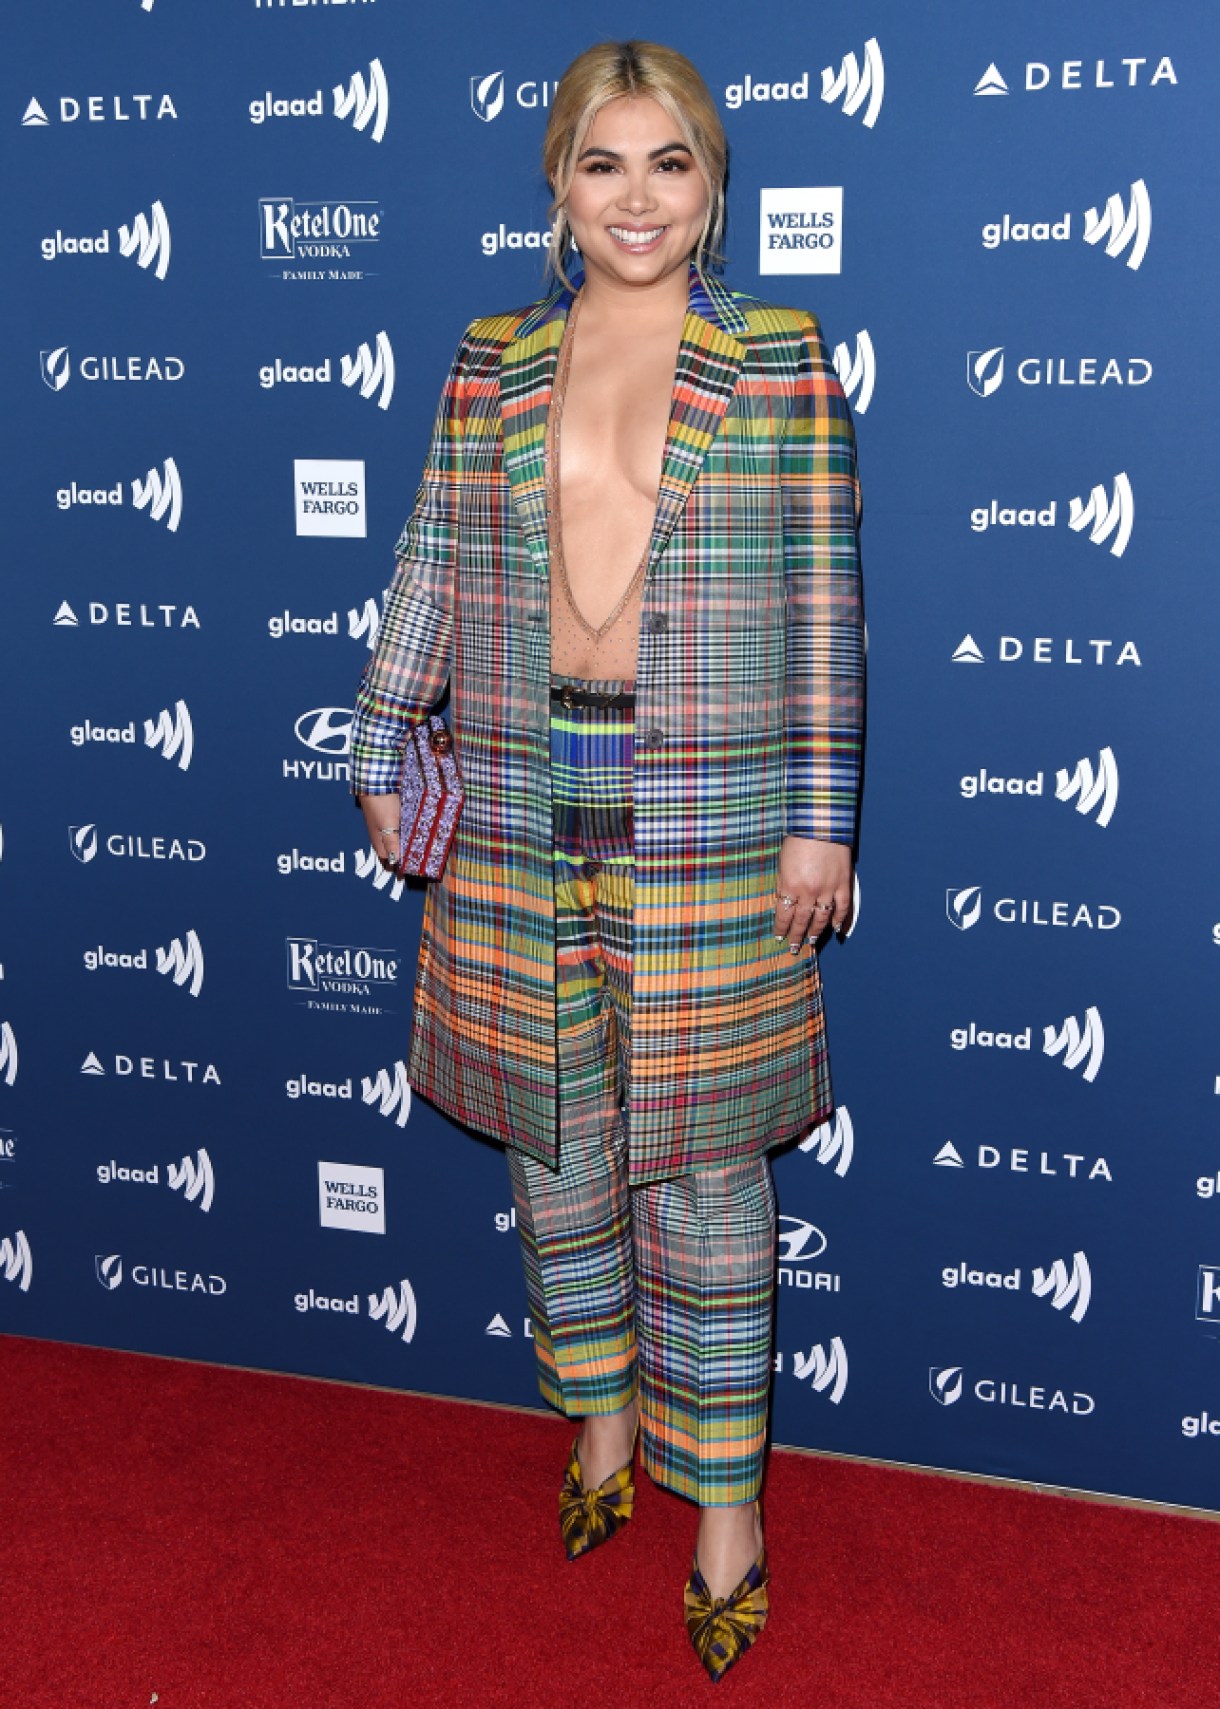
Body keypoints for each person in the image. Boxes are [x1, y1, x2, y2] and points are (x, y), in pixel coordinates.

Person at [350, 38, 864, 1683]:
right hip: (515, 793)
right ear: (557, 187)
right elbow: (432, 558)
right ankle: (598, 1429)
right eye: (602, 164)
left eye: (669, 164)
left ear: (714, 187)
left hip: (715, 819)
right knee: (556, 1145)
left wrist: (822, 813)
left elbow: (825, 608)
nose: (635, 198)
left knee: (710, 1172)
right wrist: (379, 740)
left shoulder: (778, 359)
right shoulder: (491, 357)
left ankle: (727, 1512)